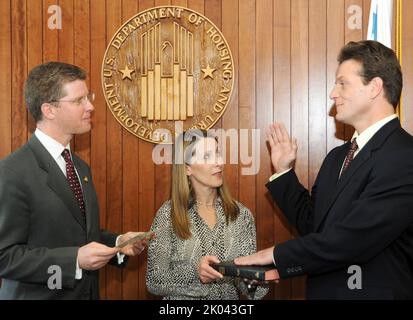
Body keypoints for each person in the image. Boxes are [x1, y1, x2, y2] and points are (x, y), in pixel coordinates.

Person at [235, 40, 413, 299]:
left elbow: (353, 240)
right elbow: (316, 228)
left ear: (374, 87)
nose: (333, 93)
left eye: (343, 83)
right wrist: (284, 172)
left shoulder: (404, 156)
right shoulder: (337, 157)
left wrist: (276, 255)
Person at [0, 62, 147, 300]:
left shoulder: (79, 167)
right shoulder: (12, 171)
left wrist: (119, 244)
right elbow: (5, 257)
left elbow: (79, 234)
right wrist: (74, 260)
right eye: (79, 100)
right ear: (49, 110)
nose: (90, 106)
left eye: (87, 97)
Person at [146, 130, 268, 300]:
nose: (219, 162)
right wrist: (195, 273)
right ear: (187, 168)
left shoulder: (241, 215)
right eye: (207, 156)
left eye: (218, 153)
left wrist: (259, 279)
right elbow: (154, 280)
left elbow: (248, 288)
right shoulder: (168, 215)